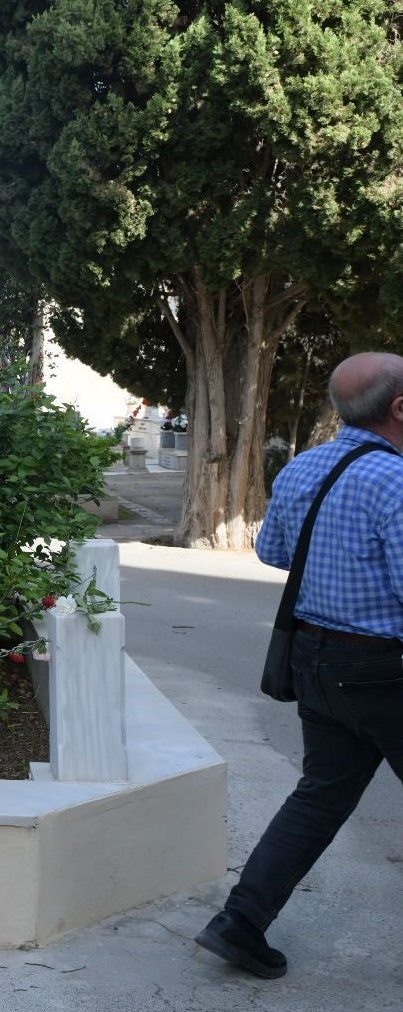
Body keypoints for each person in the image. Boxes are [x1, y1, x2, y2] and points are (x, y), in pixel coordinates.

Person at [195, 351, 403, 980]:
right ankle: (240, 922)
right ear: (399, 408)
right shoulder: (395, 481)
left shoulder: (302, 469)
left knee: (317, 800)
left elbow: (274, 551)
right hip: (386, 672)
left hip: (317, 663)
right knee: (318, 799)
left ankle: (240, 922)